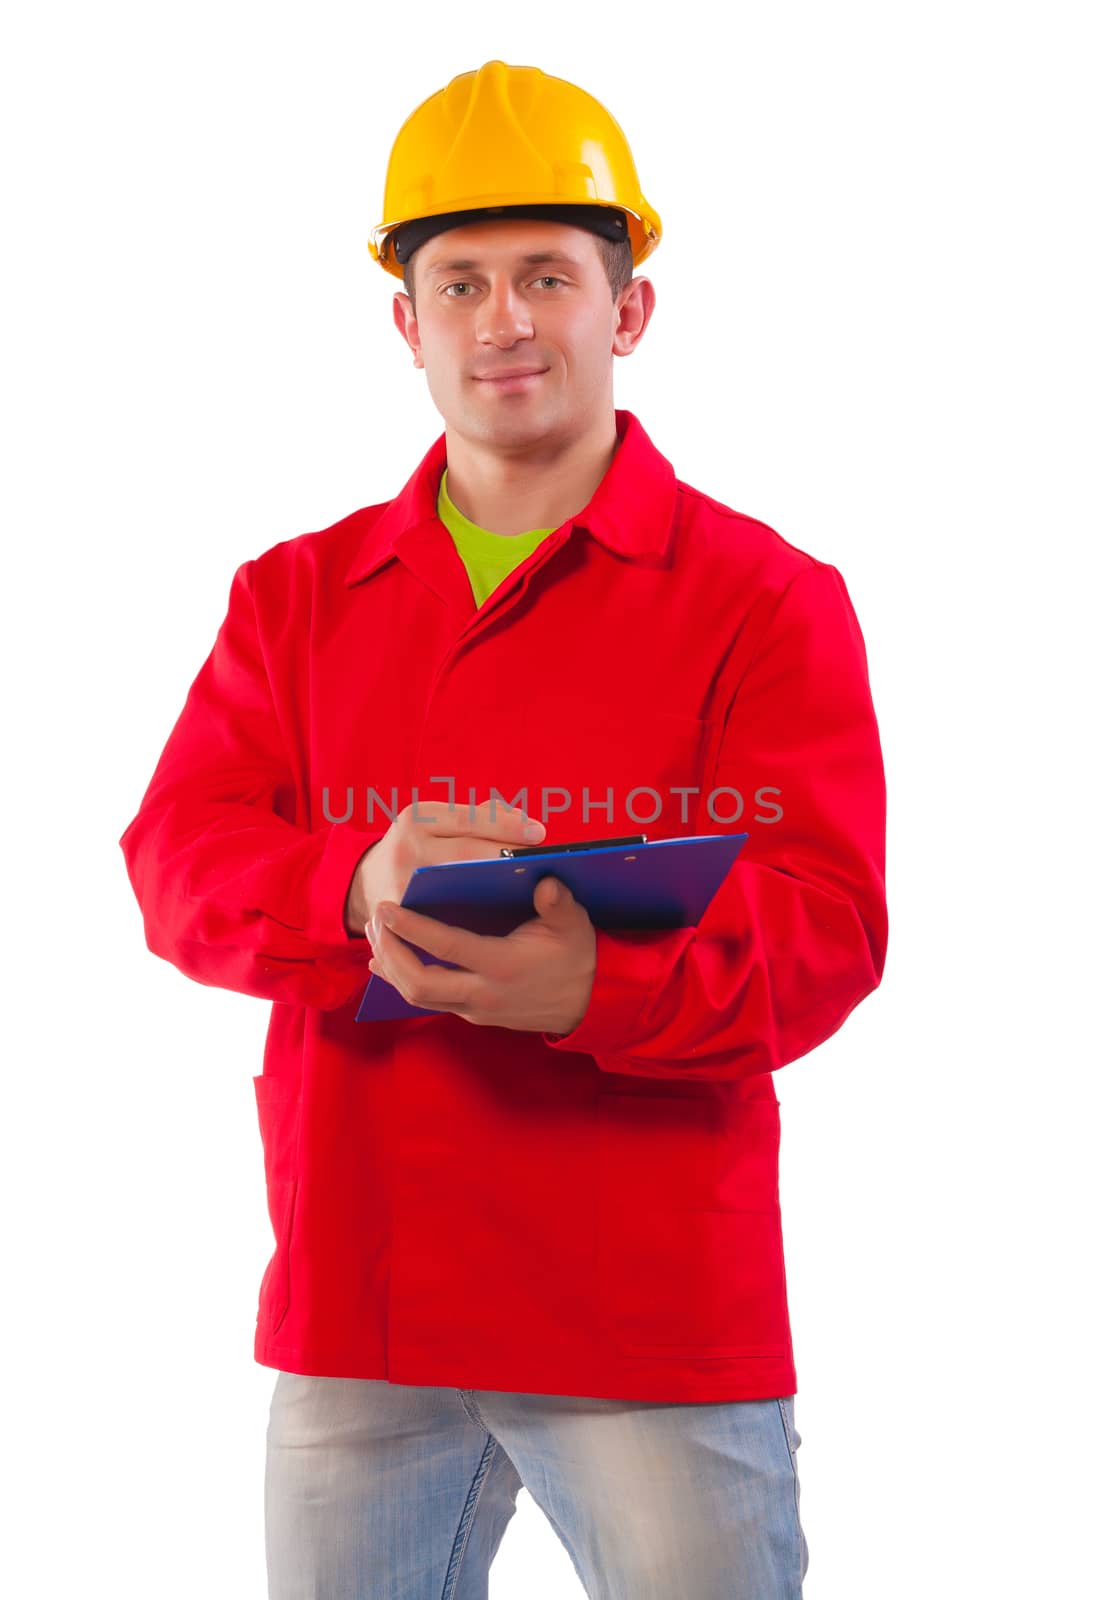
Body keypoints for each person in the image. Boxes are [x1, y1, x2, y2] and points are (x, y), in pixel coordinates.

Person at [119, 57, 887, 1599]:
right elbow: (178, 857)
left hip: (639, 1306)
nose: (504, 319)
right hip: (365, 1297)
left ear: (630, 309)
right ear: (406, 324)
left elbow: (827, 925)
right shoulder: (298, 597)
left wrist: (592, 992)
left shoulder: (762, 601)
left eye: (548, 274)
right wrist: (347, 882)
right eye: (458, 281)